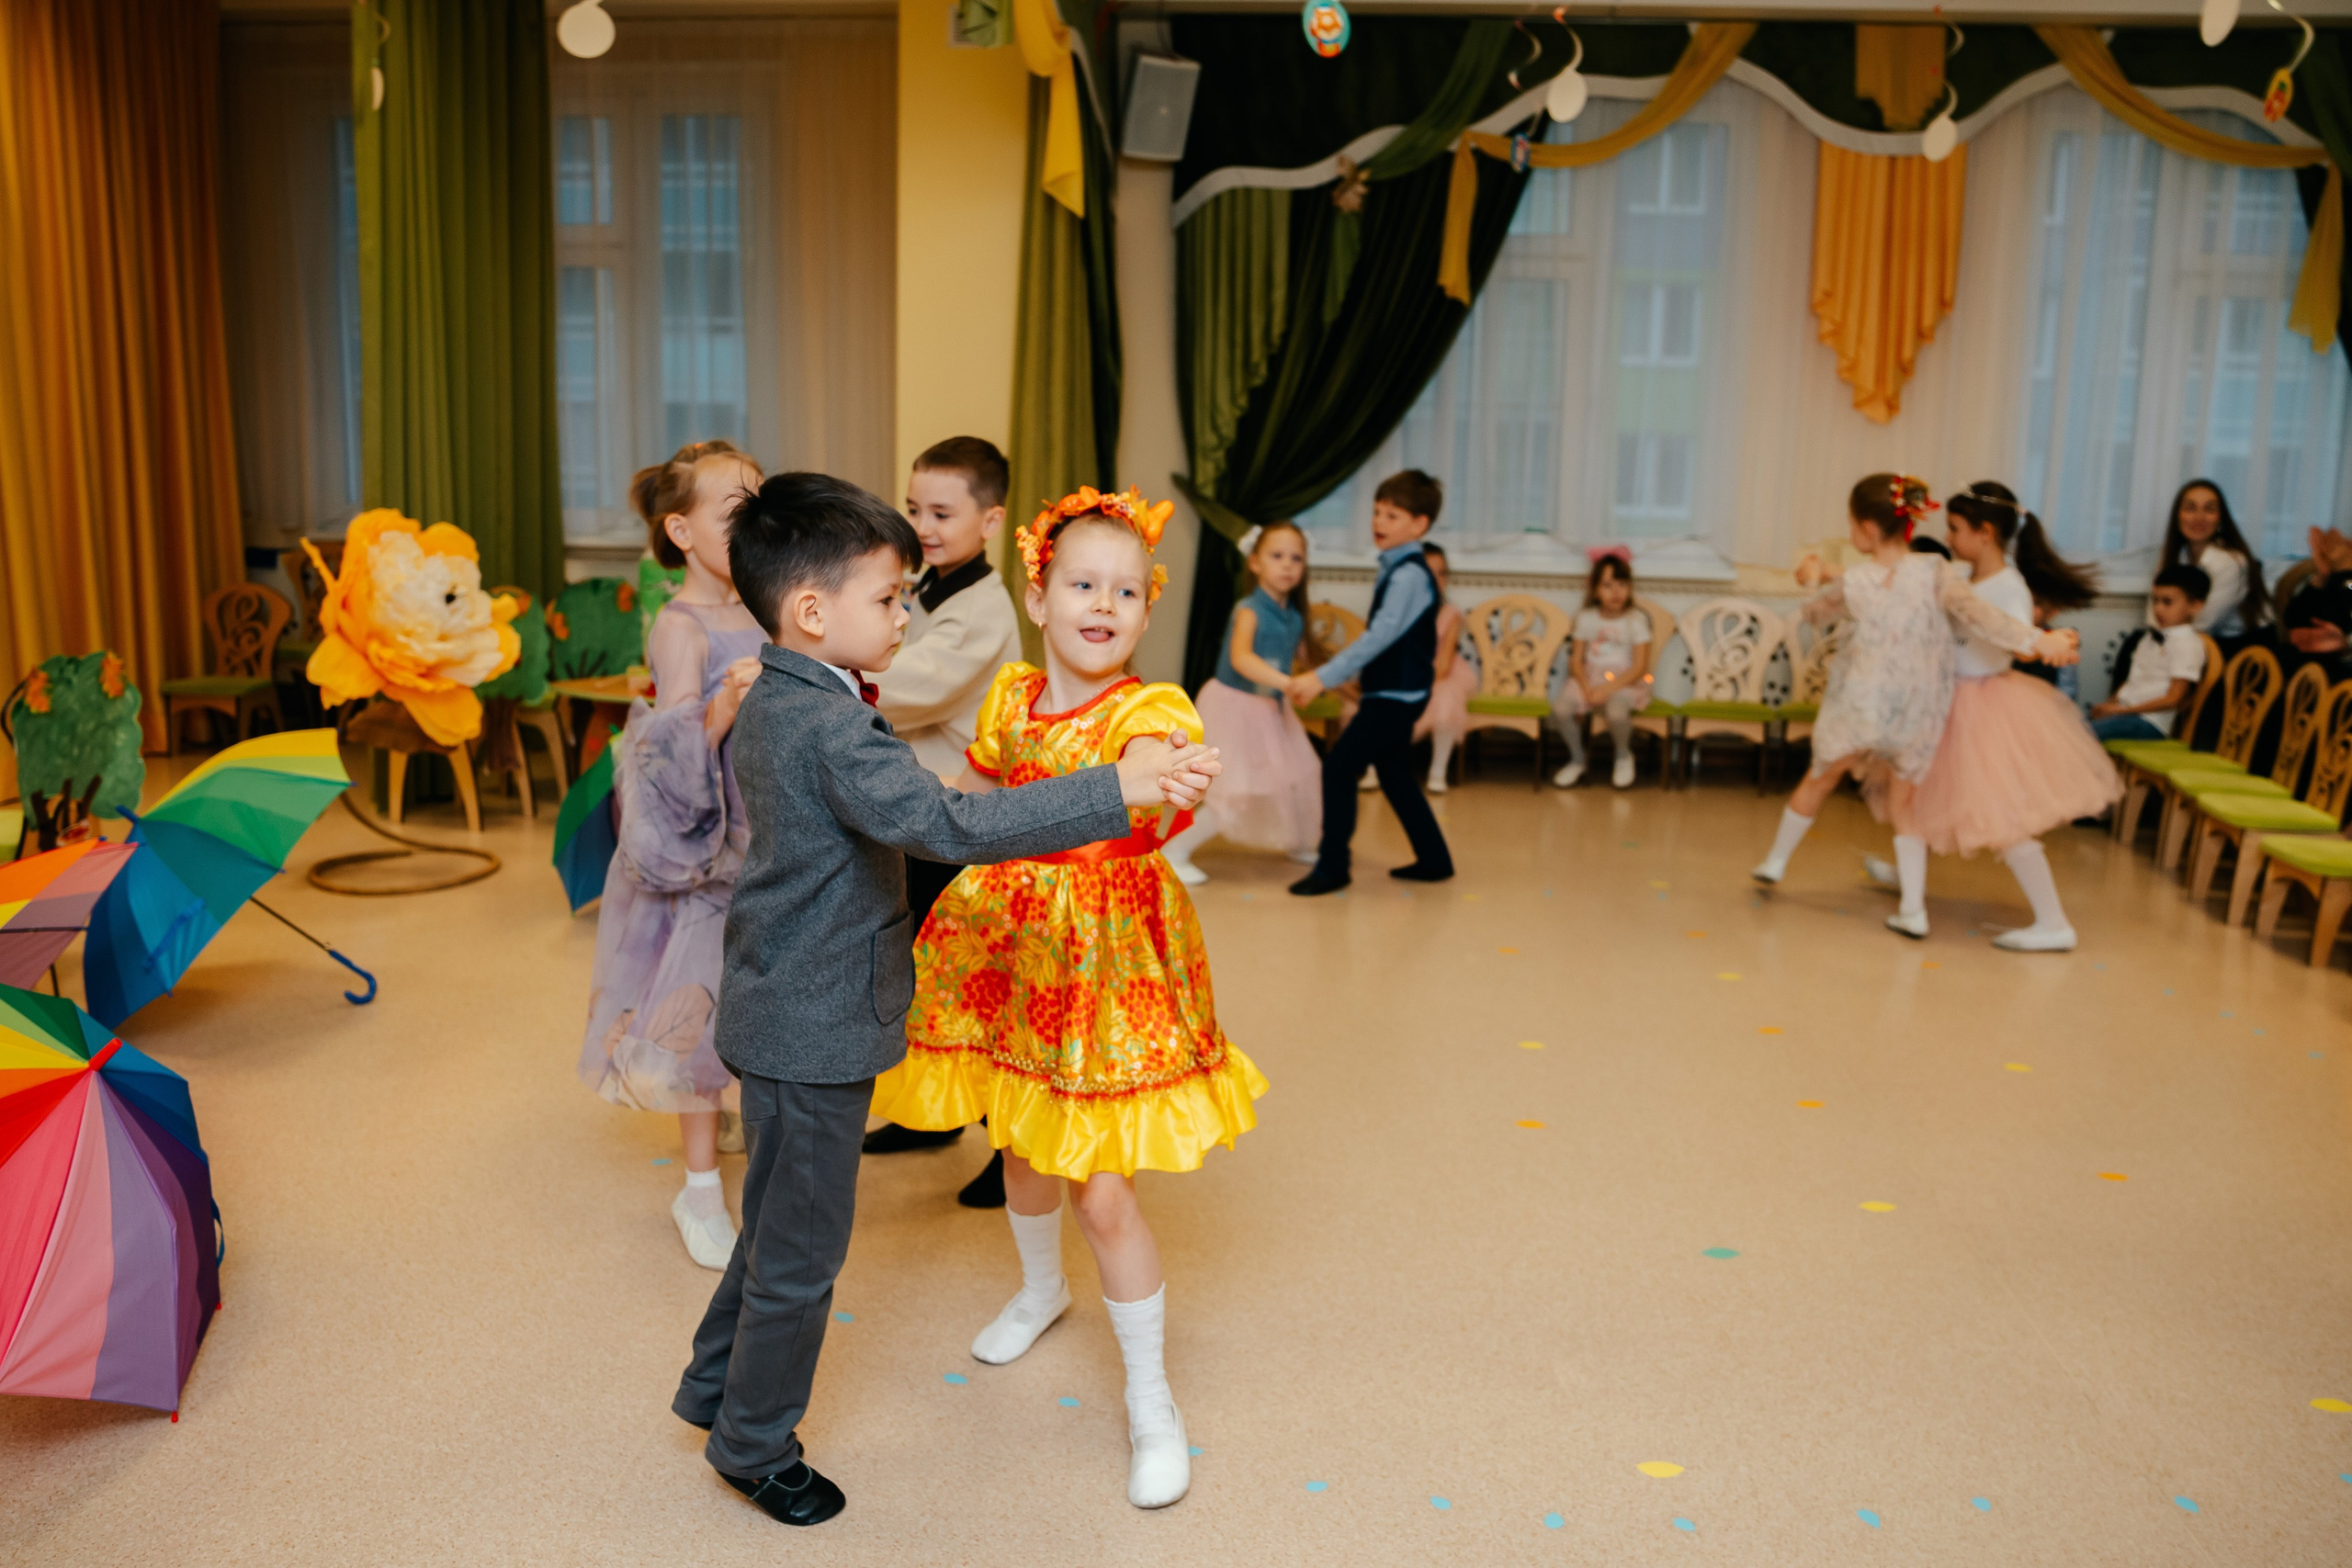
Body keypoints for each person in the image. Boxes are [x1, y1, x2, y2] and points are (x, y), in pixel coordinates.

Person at [673, 473, 1221, 1529]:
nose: (904, 617)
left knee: (771, 1231)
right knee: (799, 1256)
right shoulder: (834, 728)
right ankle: (752, 1442)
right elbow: (955, 827)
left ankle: (712, 1391)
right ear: (812, 613)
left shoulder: (783, 694)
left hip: (783, 1008)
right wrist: (1119, 787)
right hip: (814, 1029)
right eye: (888, 600)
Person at [868, 485, 1267, 1511]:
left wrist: (1164, 780)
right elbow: (993, 800)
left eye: (1127, 591)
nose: (1105, 603)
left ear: (1145, 610)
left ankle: (1150, 1398)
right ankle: (1042, 1292)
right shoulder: (1005, 695)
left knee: (1101, 1186)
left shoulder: (1149, 710)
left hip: (1105, 960)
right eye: (1083, 583)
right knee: (1018, 1137)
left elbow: (1144, 787)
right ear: (1039, 598)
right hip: (1012, 945)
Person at [578, 439, 765, 1270]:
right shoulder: (678, 626)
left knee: (751, 999)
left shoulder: (761, 607)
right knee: (697, 1014)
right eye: (736, 510)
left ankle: (743, 1132)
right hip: (706, 853)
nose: (755, 522)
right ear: (682, 530)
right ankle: (697, 1194)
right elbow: (667, 747)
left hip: (764, 836)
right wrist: (722, 704)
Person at [1749, 473, 2079, 939]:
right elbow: (1976, 614)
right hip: (1922, 713)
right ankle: (1911, 906)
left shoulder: (1883, 578)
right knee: (1910, 803)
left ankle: (1778, 861)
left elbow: (1818, 611)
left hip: (1882, 707)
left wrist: (1812, 582)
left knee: (1830, 778)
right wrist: (2039, 639)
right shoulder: (1939, 572)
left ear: (1865, 528)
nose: (1948, 537)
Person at [860, 436, 1025, 1200]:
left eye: (942, 512)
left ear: (990, 519)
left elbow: (912, 684)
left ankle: (1008, 1142)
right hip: (924, 813)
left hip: (967, 821)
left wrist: (829, 662)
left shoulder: (984, 610)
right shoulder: (927, 584)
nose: (923, 524)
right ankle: (934, 1116)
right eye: (914, 507)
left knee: (980, 982)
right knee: (927, 972)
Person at [1900, 482, 2120, 952]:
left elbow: (2013, 637)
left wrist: (2043, 640)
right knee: (1919, 790)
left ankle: (2054, 921)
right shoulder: (1963, 572)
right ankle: (1907, 866)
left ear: (1985, 533)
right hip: (1948, 698)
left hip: (1983, 705)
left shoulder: (2009, 586)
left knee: (2001, 818)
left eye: (1956, 530)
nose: (1951, 538)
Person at [1285, 469, 1455, 893]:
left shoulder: (1409, 574)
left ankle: (1333, 867)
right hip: (1396, 692)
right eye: (1377, 512)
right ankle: (1435, 859)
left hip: (1397, 696)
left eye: (1393, 515)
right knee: (1394, 773)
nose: (1379, 522)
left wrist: (1321, 678)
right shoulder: (1397, 568)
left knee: (1339, 769)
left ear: (1420, 525)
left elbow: (1381, 636)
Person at [1162, 520, 1323, 880]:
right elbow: (1241, 658)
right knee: (1235, 789)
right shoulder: (1248, 609)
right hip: (1235, 706)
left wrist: (1337, 686)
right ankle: (1175, 850)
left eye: (1296, 558)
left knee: (1301, 773)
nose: (1287, 565)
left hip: (1269, 709)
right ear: (1255, 563)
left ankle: (1298, 841)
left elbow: (1307, 658)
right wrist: (1288, 683)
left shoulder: (1292, 616)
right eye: (1277, 556)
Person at [1549, 547, 1655, 790]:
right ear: (1595, 589)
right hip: (1589, 677)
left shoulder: (1636, 620)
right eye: (1608, 585)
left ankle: (1623, 755)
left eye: (1621, 585)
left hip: (1624, 680)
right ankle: (1578, 758)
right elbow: (1575, 661)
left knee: (1616, 713)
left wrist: (1606, 690)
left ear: (1629, 588)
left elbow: (1640, 666)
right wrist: (1587, 688)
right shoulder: (1586, 618)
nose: (1616, 592)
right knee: (1561, 710)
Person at [2089, 564, 2209, 742]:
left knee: (2084, 735)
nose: (2158, 609)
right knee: (2075, 726)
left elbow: (2174, 699)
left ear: (2195, 606)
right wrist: (2110, 706)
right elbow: (2132, 682)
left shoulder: (2187, 644)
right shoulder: (2149, 637)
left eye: (2167, 602)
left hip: (2150, 723)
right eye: (2155, 600)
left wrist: (2121, 711)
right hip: (2126, 714)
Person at [2158, 479, 2268, 652]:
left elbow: (2202, 623)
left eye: (2209, 509)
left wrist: (2159, 644)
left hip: (2242, 646)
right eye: (2190, 508)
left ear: (2220, 518)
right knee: (2137, 644)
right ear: (2177, 515)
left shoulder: (2230, 562)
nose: (2199, 517)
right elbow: (2156, 612)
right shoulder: (2175, 555)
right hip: (2196, 638)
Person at [1410, 543, 1479, 794]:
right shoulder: (1399, 612)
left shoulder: (1450, 614)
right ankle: (1376, 766)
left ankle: (1438, 770)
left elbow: (1444, 664)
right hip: (1406, 671)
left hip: (1442, 673)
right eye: (1429, 572)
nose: (1436, 579)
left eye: (1442, 573)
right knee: (1381, 702)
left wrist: (1421, 684)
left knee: (1445, 701)